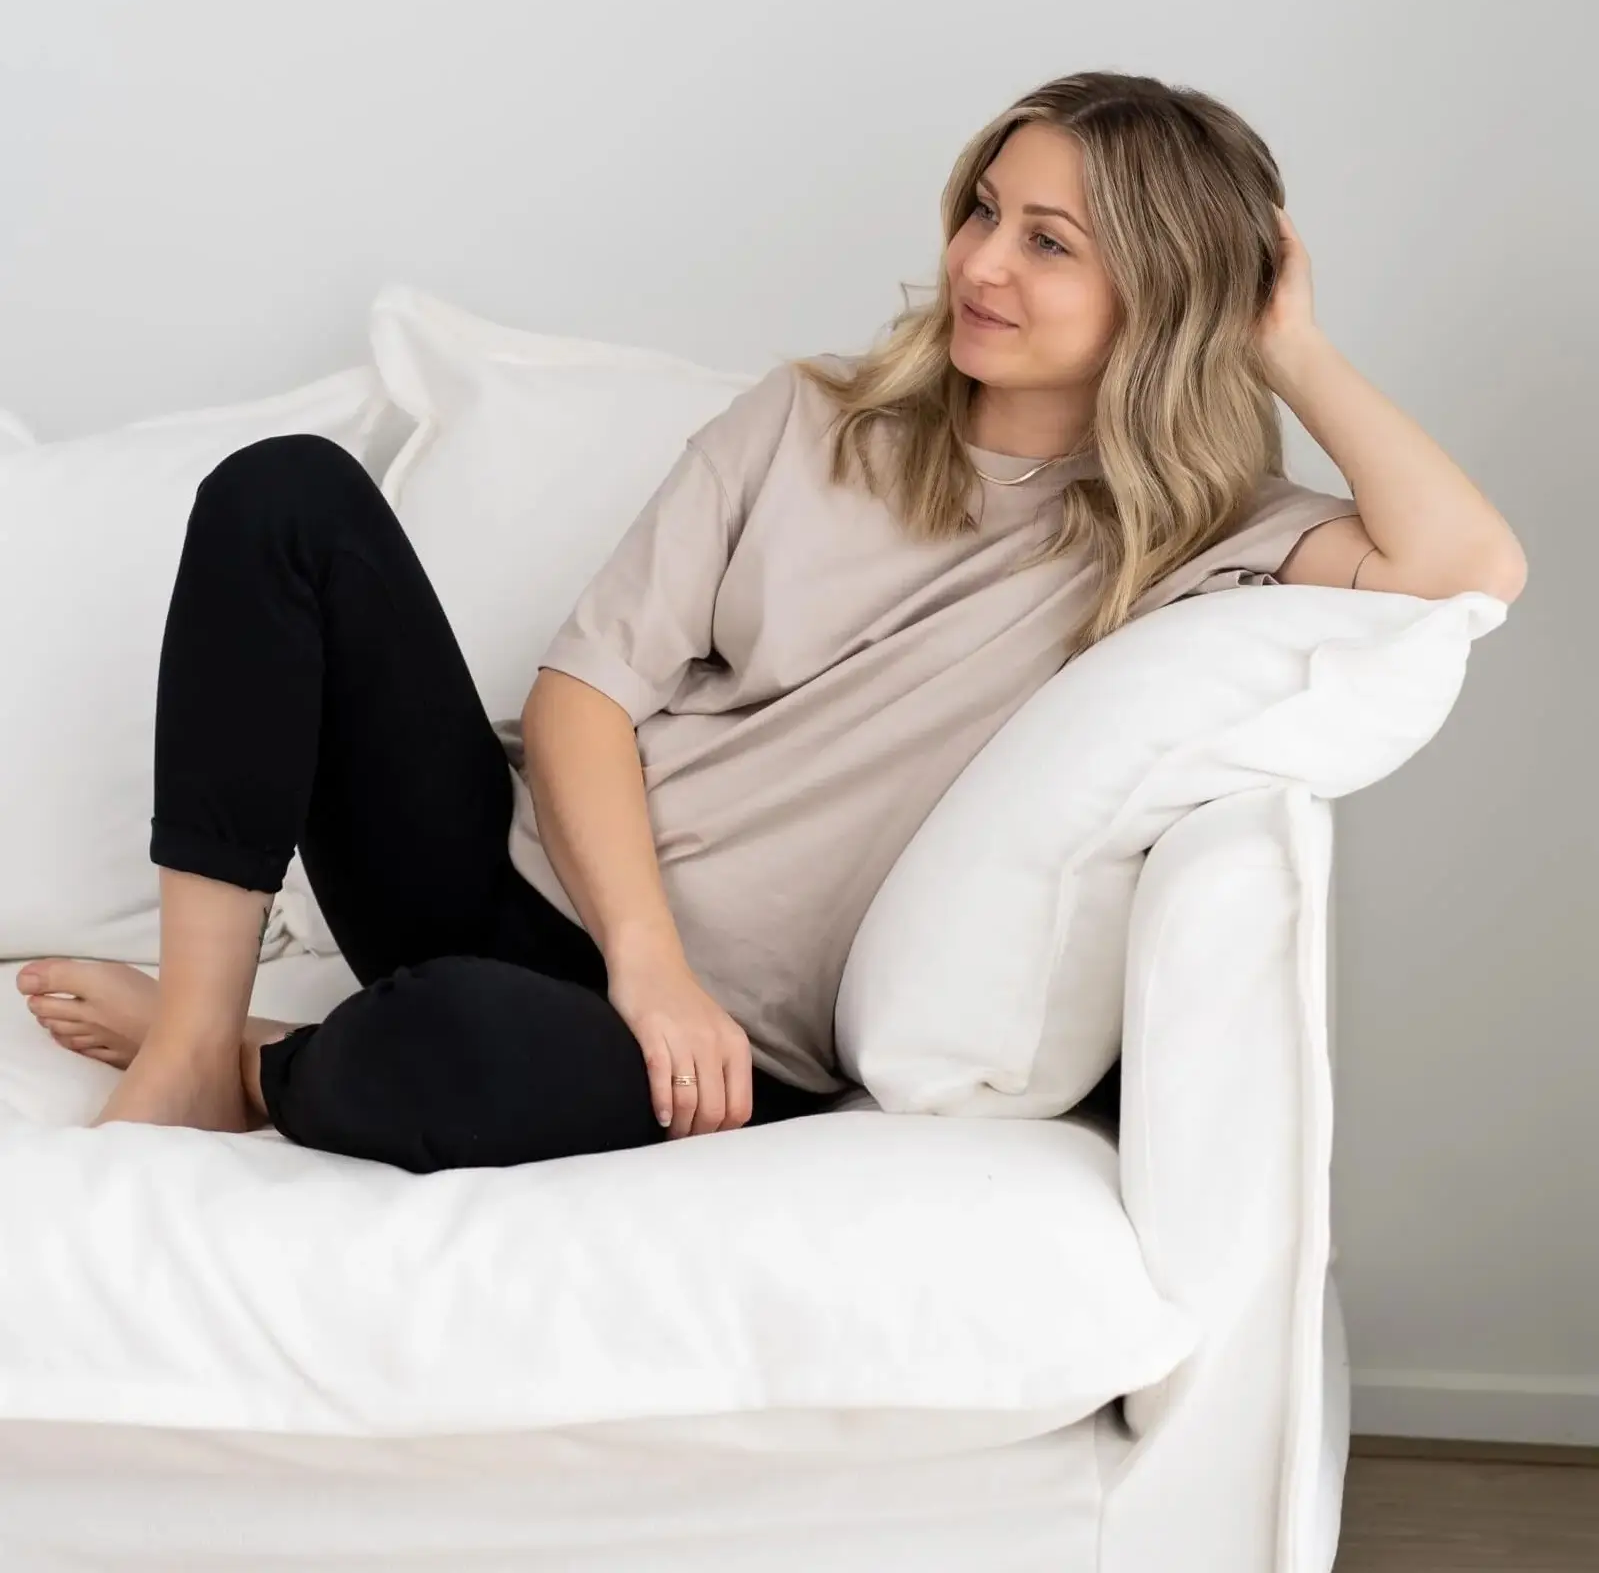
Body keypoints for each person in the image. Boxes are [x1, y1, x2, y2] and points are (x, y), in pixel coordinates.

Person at [17, 72, 1525, 1174]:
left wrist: (1292, 345)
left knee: (447, 1055)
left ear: (1171, 288)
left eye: (1049, 241)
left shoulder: (1214, 538)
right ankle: (197, 1046)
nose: (980, 264)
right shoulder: (810, 419)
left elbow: (1466, 569)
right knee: (287, 494)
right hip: (516, 877)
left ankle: (283, 1061)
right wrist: (645, 955)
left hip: (725, 1042)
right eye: (982, 213)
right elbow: (579, 701)